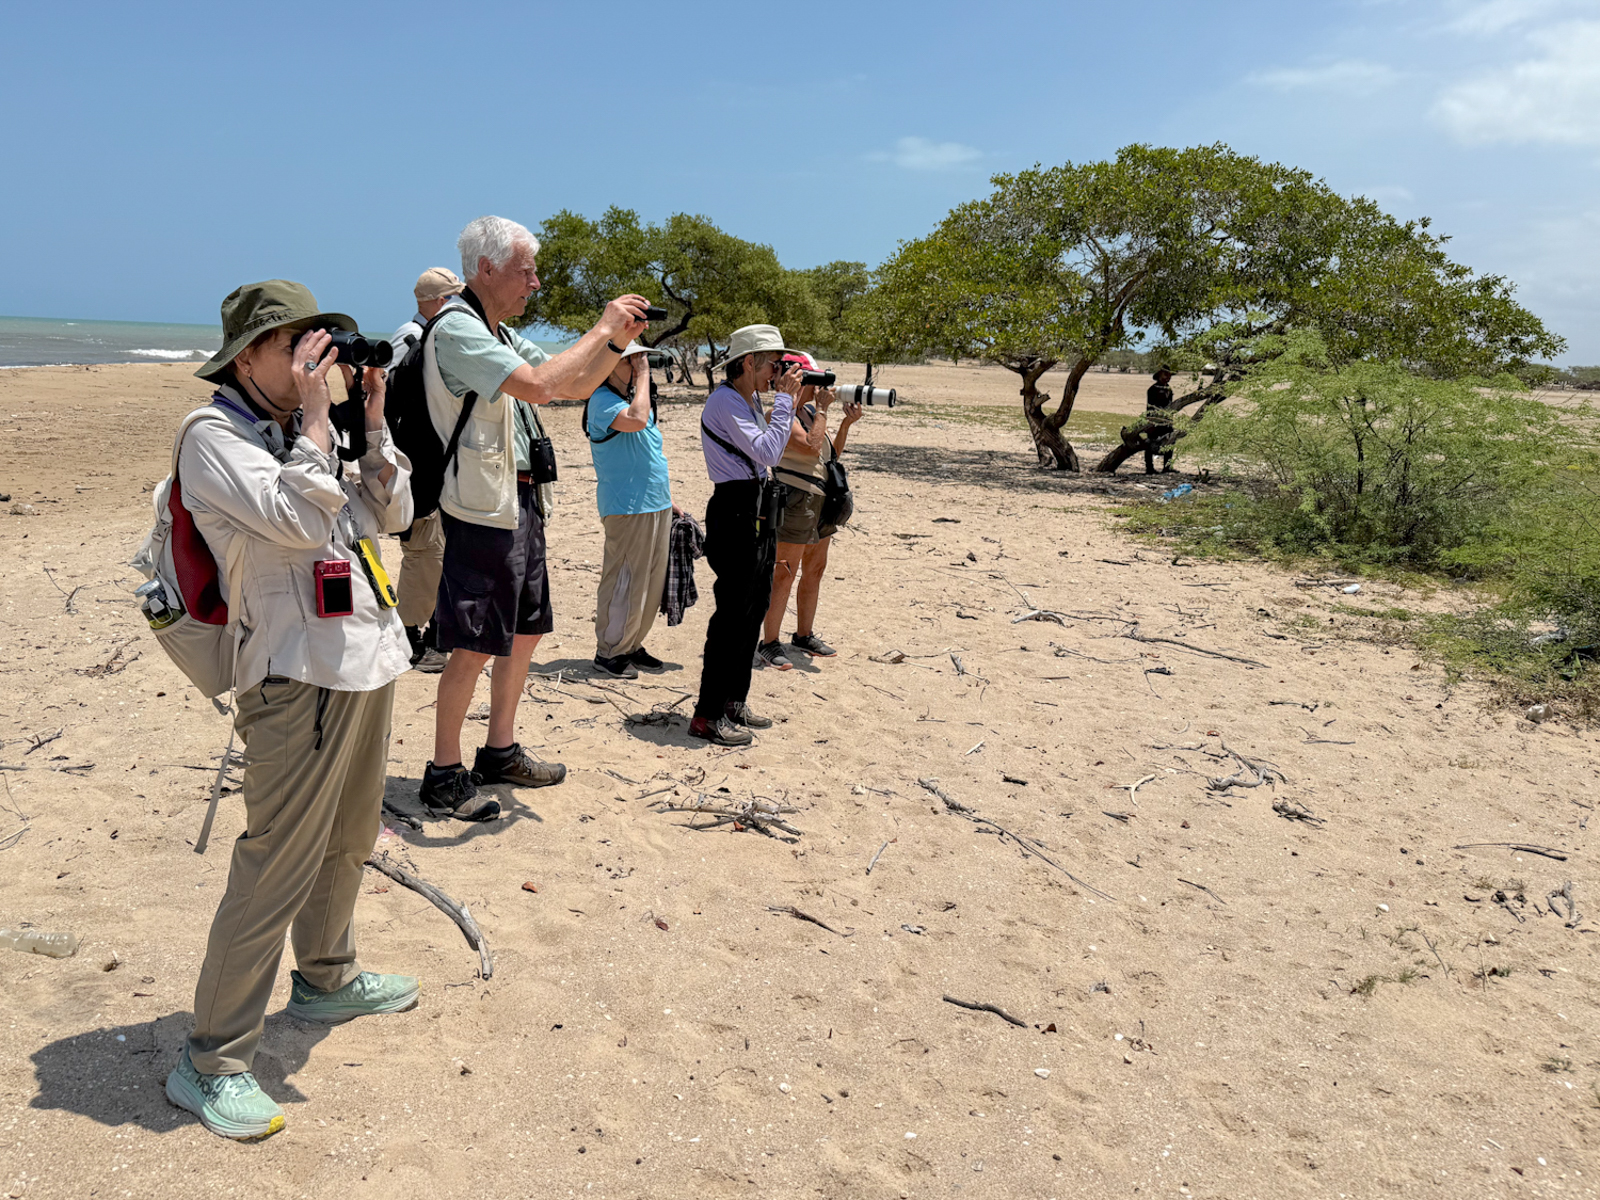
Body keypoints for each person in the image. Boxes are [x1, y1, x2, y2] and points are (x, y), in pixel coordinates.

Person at [167, 280, 417, 1141]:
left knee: (349, 842)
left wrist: (371, 426)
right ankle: (212, 1058)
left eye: (325, 345)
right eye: (299, 346)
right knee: (276, 862)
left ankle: (326, 977)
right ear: (247, 357)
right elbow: (300, 526)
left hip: (364, 660)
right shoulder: (213, 435)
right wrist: (317, 429)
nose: (320, 360)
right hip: (295, 677)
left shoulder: (303, 432)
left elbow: (392, 514)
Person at [420, 215, 648, 819]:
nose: (536, 283)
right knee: (472, 643)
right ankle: (443, 771)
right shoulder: (458, 331)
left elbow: (573, 382)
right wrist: (600, 326)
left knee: (525, 630)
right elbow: (543, 387)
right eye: (527, 270)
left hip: (518, 500)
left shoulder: (495, 330)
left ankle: (499, 751)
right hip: (478, 507)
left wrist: (616, 343)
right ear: (485, 268)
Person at [689, 324, 808, 746]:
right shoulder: (724, 402)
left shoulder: (751, 399)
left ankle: (733, 702)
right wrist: (786, 405)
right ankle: (706, 715)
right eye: (772, 363)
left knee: (753, 611)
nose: (777, 370)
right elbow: (769, 452)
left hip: (757, 510)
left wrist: (782, 402)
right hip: (736, 512)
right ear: (746, 362)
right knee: (731, 617)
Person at [759, 354, 859, 669]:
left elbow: (831, 451)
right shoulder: (780, 413)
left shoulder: (811, 411)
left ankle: (803, 636)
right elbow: (809, 446)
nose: (817, 385)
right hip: (795, 500)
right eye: (811, 378)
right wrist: (826, 411)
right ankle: (769, 642)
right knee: (784, 572)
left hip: (821, 500)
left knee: (815, 570)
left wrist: (844, 423)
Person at [586, 341, 679, 679]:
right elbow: (637, 421)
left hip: (655, 501)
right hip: (626, 505)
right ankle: (609, 652)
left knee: (650, 582)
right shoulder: (601, 402)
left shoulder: (630, 400)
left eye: (640, 361)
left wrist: (669, 498)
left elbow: (649, 450)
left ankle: (631, 643)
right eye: (631, 361)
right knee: (624, 579)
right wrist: (643, 376)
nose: (639, 366)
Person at [390, 267, 467, 673]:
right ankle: (407, 634)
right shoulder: (411, 339)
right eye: (453, 298)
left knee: (434, 552)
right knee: (423, 552)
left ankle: (426, 630)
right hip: (418, 466)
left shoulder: (419, 336)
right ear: (440, 301)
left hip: (430, 464)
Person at [1144, 365, 1177, 474]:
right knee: (1150, 443)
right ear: (1159, 375)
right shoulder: (1153, 389)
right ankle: (1149, 468)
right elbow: (1151, 407)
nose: (1168, 377)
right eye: (1165, 374)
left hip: (1166, 421)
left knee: (1170, 442)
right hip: (1155, 420)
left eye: (1169, 375)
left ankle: (1167, 467)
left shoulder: (1169, 389)